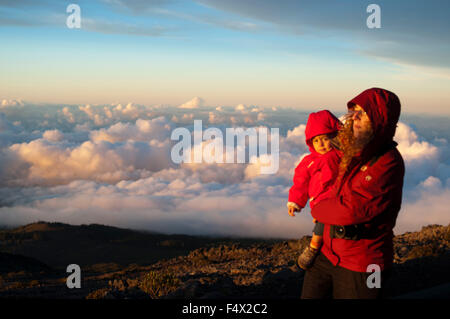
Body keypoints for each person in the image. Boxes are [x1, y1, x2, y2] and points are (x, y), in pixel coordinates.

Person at [301, 88, 405, 299]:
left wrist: (317, 208)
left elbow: (351, 210)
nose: (355, 116)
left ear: (380, 118)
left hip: (366, 263)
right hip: (328, 253)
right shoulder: (348, 149)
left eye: (363, 112)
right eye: (354, 110)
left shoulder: (388, 162)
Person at [287, 110, 341, 270]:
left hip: (339, 198)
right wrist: (295, 202)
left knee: (330, 226)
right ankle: (314, 247)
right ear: (311, 142)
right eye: (317, 140)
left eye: (326, 138)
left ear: (335, 137)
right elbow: (300, 182)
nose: (322, 144)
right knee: (323, 223)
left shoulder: (341, 155)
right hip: (320, 201)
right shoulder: (309, 161)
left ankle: (318, 247)